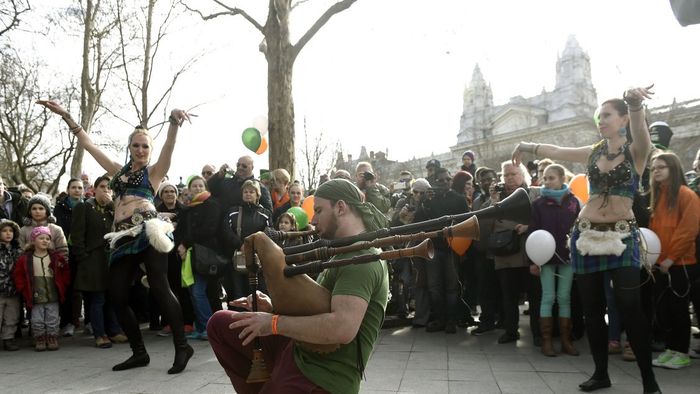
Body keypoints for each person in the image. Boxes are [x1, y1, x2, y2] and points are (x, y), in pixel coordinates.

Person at [511, 85, 661, 393]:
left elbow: (641, 131)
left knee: (630, 305)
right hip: (586, 236)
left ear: (622, 120)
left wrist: (634, 104)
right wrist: (525, 144)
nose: (601, 120)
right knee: (591, 309)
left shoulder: (636, 151)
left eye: (607, 115)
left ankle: (649, 381)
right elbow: (557, 152)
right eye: (599, 116)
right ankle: (600, 374)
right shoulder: (593, 152)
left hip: (621, 236)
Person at [36, 99, 194, 374]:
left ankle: (182, 347)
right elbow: (89, 145)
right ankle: (139, 353)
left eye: (145, 146)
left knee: (160, 286)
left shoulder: (153, 172)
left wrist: (172, 123)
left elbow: (168, 148)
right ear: (129, 148)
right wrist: (66, 116)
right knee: (117, 297)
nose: (141, 149)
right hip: (121, 238)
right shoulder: (118, 173)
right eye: (136, 145)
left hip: (147, 231)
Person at [207, 178, 389, 394]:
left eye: (319, 210)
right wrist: (273, 307)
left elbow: (342, 328)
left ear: (340, 208)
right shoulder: (346, 250)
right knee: (220, 325)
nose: (313, 218)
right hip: (302, 350)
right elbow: (320, 305)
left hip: (325, 375)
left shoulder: (361, 259)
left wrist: (273, 323)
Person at [648, 153, 700, 370]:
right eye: (654, 168)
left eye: (662, 167)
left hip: (682, 263)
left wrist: (671, 257)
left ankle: (681, 352)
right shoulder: (657, 196)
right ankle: (671, 349)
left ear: (674, 169)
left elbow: (687, 230)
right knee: (665, 309)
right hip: (661, 263)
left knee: (679, 310)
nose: (656, 171)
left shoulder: (686, 194)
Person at [529, 164, 580, 357]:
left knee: (564, 298)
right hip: (545, 258)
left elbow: (580, 230)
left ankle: (566, 340)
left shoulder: (574, 202)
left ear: (562, 179)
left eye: (552, 178)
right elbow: (533, 233)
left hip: (567, 258)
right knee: (548, 297)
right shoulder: (538, 204)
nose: (548, 181)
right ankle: (547, 341)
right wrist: (533, 260)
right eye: (545, 178)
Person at [487, 161, 541, 345]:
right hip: (506, 255)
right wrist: (492, 202)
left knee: (536, 297)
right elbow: (485, 227)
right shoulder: (496, 198)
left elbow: (542, 219)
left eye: (513, 174)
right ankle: (511, 331)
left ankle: (538, 333)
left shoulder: (535, 193)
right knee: (508, 297)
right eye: (505, 175)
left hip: (531, 254)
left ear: (523, 175)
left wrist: (529, 227)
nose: (509, 178)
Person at [71, 175, 127, 348]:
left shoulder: (114, 209)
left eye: (109, 188)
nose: (106, 190)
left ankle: (114, 330)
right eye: (102, 187)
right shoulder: (84, 207)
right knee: (98, 299)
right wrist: (83, 258)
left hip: (110, 258)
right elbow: (77, 235)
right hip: (92, 259)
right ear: (94, 189)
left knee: (112, 297)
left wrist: (112, 205)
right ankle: (100, 333)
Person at [175, 176, 225, 341]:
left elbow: (208, 229)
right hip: (191, 256)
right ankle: (203, 327)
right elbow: (182, 229)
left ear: (206, 187)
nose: (197, 188)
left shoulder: (212, 204)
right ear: (189, 189)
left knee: (199, 293)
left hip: (206, 255)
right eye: (194, 186)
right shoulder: (188, 207)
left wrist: (185, 243)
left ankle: (209, 327)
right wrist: (181, 245)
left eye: (200, 185)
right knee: (193, 292)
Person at [13, 226, 70, 351]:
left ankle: (52, 337)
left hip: (52, 293)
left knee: (53, 318)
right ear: (33, 240)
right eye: (41, 238)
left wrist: (63, 284)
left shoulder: (55, 257)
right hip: (35, 294)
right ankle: (39, 338)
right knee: (36, 319)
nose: (45, 241)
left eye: (47, 238)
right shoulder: (26, 258)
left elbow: (64, 271)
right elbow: (19, 275)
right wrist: (23, 288)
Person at [221, 180, 272, 302]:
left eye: (251, 192)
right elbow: (226, 231)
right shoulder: (233, 211)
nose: (248, 194)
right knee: (238, 294)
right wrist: (240, 245)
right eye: (245, 192)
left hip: (258, 260)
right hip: (237, 260)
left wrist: (254, 247)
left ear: (257, 194)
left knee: (257, 294)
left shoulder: (265, 214)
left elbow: (268, 233)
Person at [53, 178, 85, 337]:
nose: (77, 190)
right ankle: (68, 322)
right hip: (65, 251)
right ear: (68, 189)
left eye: (80, 187)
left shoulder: (87, 206)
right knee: (68, 287)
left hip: (83, 251)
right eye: (74, 187)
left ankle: (83, 320)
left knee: (84, 288)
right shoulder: (60, 207)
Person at [208, 155, 273, 212]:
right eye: (238, 165)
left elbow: (268, 211)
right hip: (225, 223)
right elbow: (208, 190)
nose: (240, 167)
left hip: (248, 224)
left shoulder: (259, 186)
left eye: (244, 166)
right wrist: (218, 176)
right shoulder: (227, 182)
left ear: (252, 168)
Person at [0, 219, 22, 351]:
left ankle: (8, 338)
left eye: (10, 231)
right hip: (0, 289)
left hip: (13, 290)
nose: (8, 234)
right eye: (4, 231)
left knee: (12, 316)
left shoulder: (17, 250)